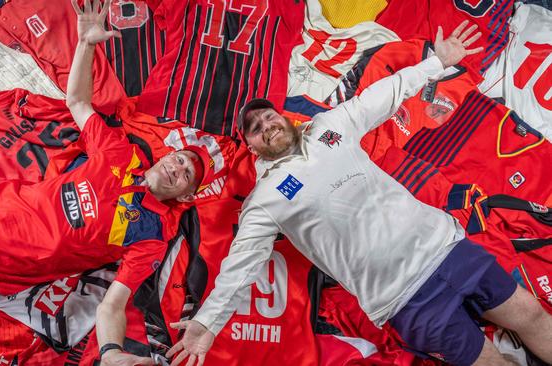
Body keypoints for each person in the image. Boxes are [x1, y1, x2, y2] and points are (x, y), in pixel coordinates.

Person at [165, 21, 552, 366]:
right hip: (405, 299)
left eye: (268, 116)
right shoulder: (264, 200)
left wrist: (438, 62)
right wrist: (207, 323)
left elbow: (385, 93)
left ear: (282, 117)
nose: (266, 125)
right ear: (251, 146)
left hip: (448, 248)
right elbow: (240, 265)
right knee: (490, 362)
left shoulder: (329, 126)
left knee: (532, 315)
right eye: (254, 127)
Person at [0, 0, 212, 365]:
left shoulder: (151, 237)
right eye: (179, 158)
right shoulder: (119, 153)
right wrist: (87, 43)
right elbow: (78, 101)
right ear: (165, 156)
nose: (178, 166)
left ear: (187, 194)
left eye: (187, 173)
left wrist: (112, 351)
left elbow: (113, 302)